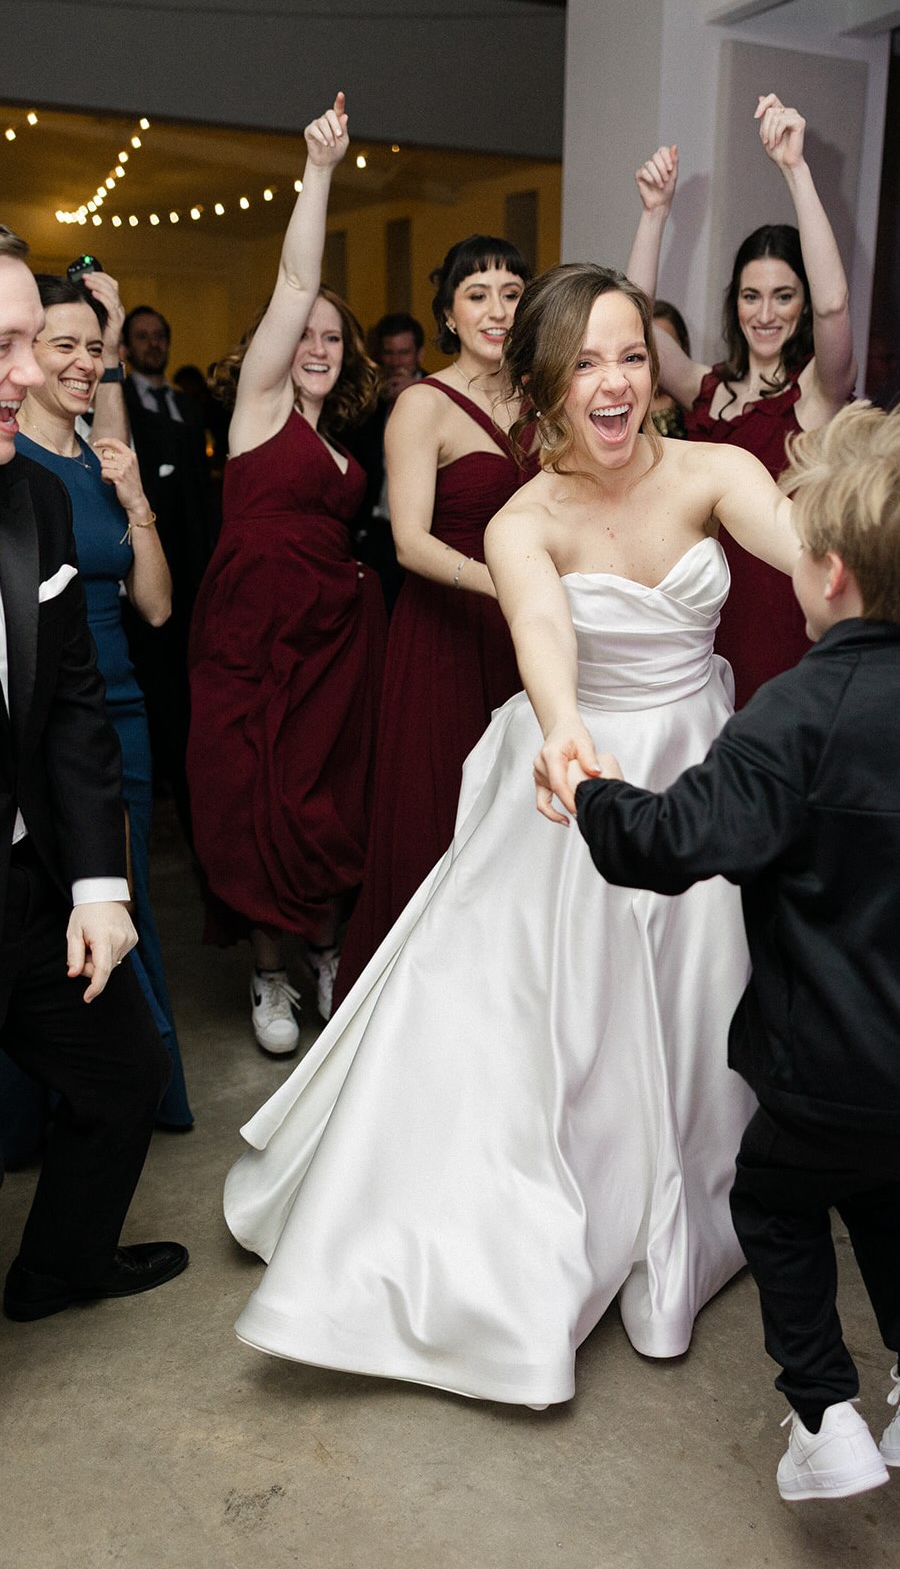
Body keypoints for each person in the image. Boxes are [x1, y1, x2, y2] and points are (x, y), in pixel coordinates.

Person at [223, 262, 804, 1407]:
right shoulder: (524, 515)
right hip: (572, 771)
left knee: (692, 1008)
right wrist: (567, 731)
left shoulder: (718, 471)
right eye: (585, 360)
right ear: (544, 382)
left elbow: (816, 560)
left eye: (632, 354)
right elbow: (540, 627)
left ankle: (682, 1218)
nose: (615, 381)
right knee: (547, 1029)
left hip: (700, 759)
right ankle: (521, 1243)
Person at [568, 401, 900, 1501]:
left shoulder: (789, 718)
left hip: (825, 1068)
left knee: (776, 1198)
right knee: (891, 1197)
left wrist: (590, 789)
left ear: (833, 574)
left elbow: (666, 846)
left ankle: (824, 1415)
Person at [0, 224, 187, 1319]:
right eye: (9, 345)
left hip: (31, 886)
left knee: (123, 1074)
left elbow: (72, 708)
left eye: (33, 344)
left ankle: (60, 1265)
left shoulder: (36, 500)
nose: (26, 375)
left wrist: (99, 886)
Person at [187, 92, 385, 1054]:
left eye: (331, 339)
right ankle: (269, 978)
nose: (315, 344)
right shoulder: (258, 413)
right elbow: (299, 273)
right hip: (251, 644)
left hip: (335, 651)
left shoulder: (345, 447)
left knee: (329, 805)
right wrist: (319, 172)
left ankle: (324, 953)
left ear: (346, 361)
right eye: (304, 330)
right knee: (249, 805)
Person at [332, 234, 537, 1004]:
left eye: (512, 291)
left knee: (518, 830)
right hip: (445, 637)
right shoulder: (421, 403)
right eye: (477, 292)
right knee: (441, 826)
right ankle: (417, 1019)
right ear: (448, 313)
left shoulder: (539, 398)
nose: (496, 307)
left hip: (523, 641)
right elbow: (410, 541)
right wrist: (512, 585)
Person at [627, 95, 856, 705]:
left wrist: (795, 169)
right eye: (751, 296)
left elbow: (837, 304)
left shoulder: (818, 393)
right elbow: (630, 317)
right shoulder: (704, 386)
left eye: (783, 296)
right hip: (698, 609)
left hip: (778, 613)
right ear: (735, 303)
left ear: (802, 304)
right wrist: (654, 215)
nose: (765, 312)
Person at [122, 306, 217, 845]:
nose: (154, 344)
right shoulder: (124, 404)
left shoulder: (186, 404)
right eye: (144, 337)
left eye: (161, 336)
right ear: (129, 346)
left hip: (191, 559)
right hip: (147, 556)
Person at [346, 311, 427, 614]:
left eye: (403, 353)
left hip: (425, 533)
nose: (395, 362)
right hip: (376, 533)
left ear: (419, 354)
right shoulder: (367, 404)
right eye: (389, 353)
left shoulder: (439, 397)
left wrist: (416, 396)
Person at [650, 299, 690, 438]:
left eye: (667, 346)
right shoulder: (625, 404)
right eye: (648, 345)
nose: (656, 355)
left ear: (682, 346)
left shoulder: (696, 403)